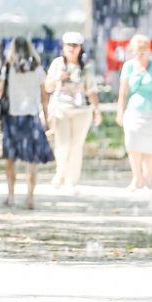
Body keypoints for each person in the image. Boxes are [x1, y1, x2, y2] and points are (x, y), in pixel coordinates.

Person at [0, 37, 54, 209]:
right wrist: (46, 117)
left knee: (10, 159)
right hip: (31, 117)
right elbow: (44, 97)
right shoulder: (37, 70)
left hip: (12, 117)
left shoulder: (8, 68)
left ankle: (11, 195)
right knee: (32, 160)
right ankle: (30, 197)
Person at [45, 31, 102, 190]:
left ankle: (72, 178)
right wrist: (58, 78)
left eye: (74, 45)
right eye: (68, 45)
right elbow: (48, 86)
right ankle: (60, 173)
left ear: (80, 48)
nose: (71, 48)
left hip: (81, 110)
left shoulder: (86, 67)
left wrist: (97, 110)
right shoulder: (57, 64)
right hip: (61, 109)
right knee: (62, 143)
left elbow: (91, 90)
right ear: (63, 47)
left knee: (77, 145)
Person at [116, 33, 152, 191]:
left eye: (143, 50)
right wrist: (120, 111)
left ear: (149, 49)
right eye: (136, 50)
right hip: (133, 111)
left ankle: (147, 181)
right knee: (133, 146)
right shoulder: (128, 66)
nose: (140, 53)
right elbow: (123, 92)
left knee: (149, 148)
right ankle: (136, 178)